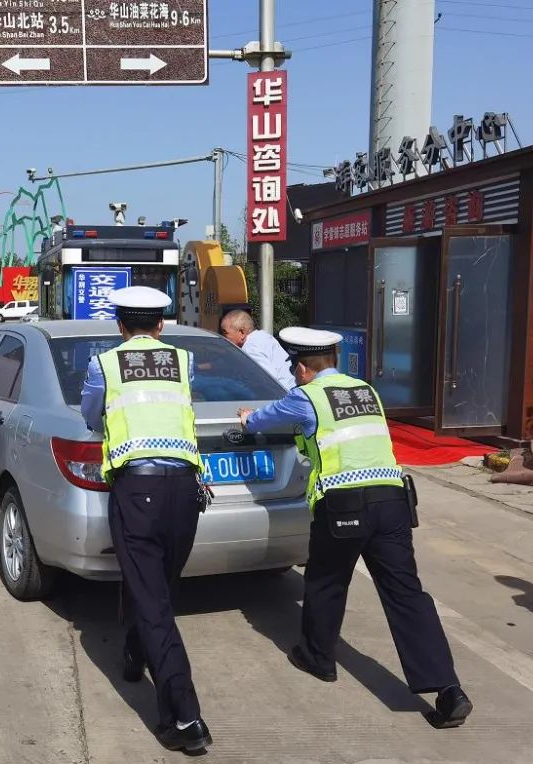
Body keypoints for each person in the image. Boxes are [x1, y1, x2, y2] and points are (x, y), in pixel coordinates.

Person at [238, 327, 473, 730]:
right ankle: (448, 689)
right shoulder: (365, 391)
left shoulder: (305, 396)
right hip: (394, 501)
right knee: (405, 593)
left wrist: (248, 418)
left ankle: (318, 658)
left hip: (344, 503)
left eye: (296, 369)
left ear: (302, 368)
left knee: (326, 581)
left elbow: (263, 419)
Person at [80, 286, 212, 753]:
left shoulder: (105, 364)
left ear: (120, 326)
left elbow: (91, 414)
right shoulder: (183, 361)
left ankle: (185, 717)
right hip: (184, 490)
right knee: (159, 587)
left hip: (138, 489)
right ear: (161, 325)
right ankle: (136, 653)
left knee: (153, 601)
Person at [219, 309, 294, 390]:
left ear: (242, 332)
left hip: (281, 396)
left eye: (225, 332)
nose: (223, 337)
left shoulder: (250, 348)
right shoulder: (262, 336)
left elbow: (267, 381)